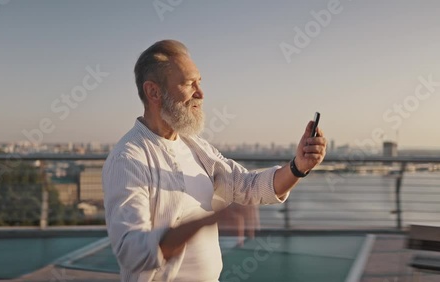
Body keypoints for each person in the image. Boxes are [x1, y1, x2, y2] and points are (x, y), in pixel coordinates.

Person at [102, 39, 327, 281]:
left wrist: (297, 167)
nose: (200, 93)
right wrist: (209, 220)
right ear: (153, 92)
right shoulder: (127, 159)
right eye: (189, 84)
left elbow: (247, 185)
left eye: (199, 82)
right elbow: (132, 253)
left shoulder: (194, 145)